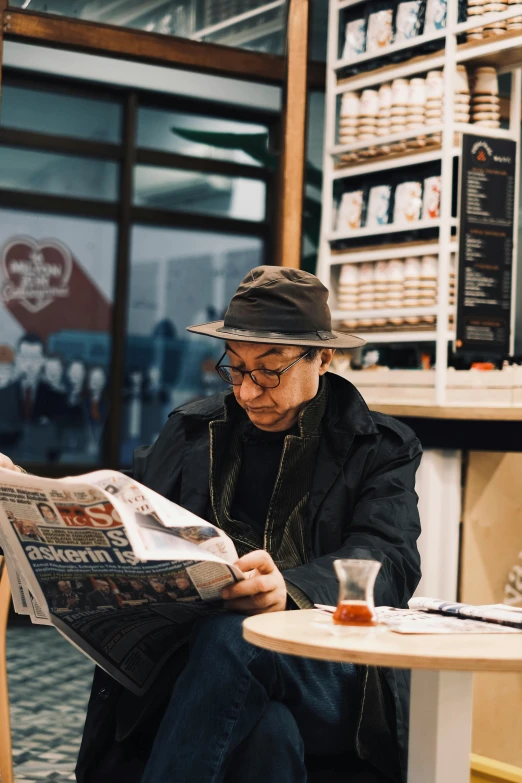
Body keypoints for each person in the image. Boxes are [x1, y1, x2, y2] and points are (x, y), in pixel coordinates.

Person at [0, 266, 422, 783]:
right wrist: (32, 492)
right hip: (202, 667)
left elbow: (391, 557)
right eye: (237, 369)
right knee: (267, 734)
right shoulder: (194, 430)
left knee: (238, 635)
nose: (247, 392)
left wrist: (287, 589)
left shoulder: (378, 446)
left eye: (269, 371)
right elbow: (127, 507)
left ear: (324, 358)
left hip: (328, 672)